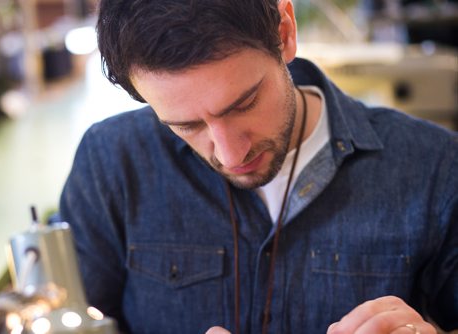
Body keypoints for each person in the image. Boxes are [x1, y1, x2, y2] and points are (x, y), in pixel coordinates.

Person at [58, 0, 458, 333]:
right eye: (187, 126)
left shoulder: (436, 166)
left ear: (284, 33)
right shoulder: (110, 162)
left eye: (244, 103)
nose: (231, 156)